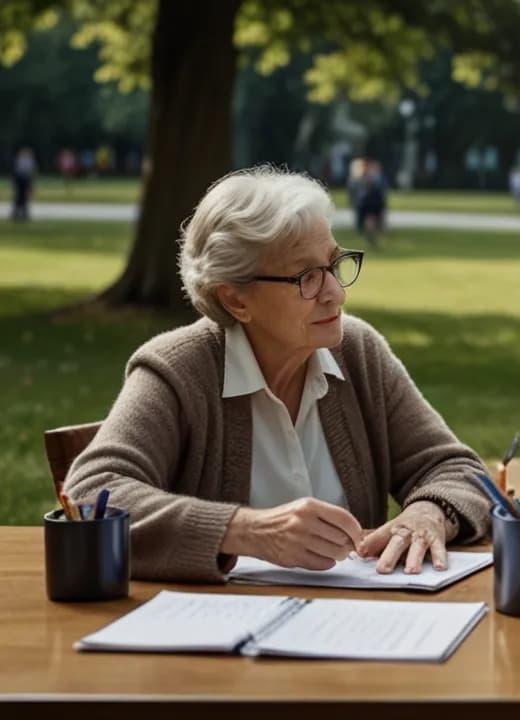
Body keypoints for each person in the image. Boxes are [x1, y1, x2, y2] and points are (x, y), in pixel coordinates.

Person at [64, 165, 491, 583]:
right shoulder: (177, 369)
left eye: (335, 264)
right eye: (307, 277)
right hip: (212, 640)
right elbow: (92, 492)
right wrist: (247, 531)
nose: (336, 294)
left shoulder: (357, 352)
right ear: (235, 300)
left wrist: (429, 512)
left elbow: (456, 469)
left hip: (356, 630)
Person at [11, 148, 36, 222]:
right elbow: (16, 172)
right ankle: (18, 214)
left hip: (24, 180)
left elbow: (31, 173)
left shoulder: (27, 161)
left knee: (23, 198)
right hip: (21, 180)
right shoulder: (23, 161)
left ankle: (22, 214)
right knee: (19, 198)